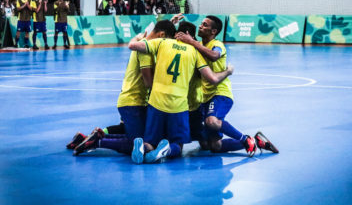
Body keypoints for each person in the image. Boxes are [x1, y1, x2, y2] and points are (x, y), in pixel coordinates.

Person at [128, 21, 233, 164]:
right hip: (178, 105)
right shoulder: (195, 52)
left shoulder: (162, 43)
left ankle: (143, 147)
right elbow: (213, 78)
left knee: (150, 141)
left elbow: (133, 46)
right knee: (178, 145)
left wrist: (137, 38)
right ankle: (167, 150)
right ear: (190, 36)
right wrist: (228, 71)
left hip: (156, 101)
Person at [175, 16, 279, 156]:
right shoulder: (199, 45)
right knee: (213, 146)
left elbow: (215, 55)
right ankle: (256, 140)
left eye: (205, 25)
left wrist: (192, 42)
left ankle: (244, 138)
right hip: (205, 98)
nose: (200, 26)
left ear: (214, 31)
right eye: (201, 24)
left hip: (220, 93)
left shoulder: (217, 44)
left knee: (211, 121)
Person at [72, 20, 177, 156]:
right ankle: (98, 142)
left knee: (134, 132)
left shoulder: (143, 42)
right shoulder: (145, 49)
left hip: (131, 99)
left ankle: (86, 138)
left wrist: (171, 21)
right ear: (161, 35)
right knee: (137, 144)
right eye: (165, 41)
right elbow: (148, 83)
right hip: (133, 102)